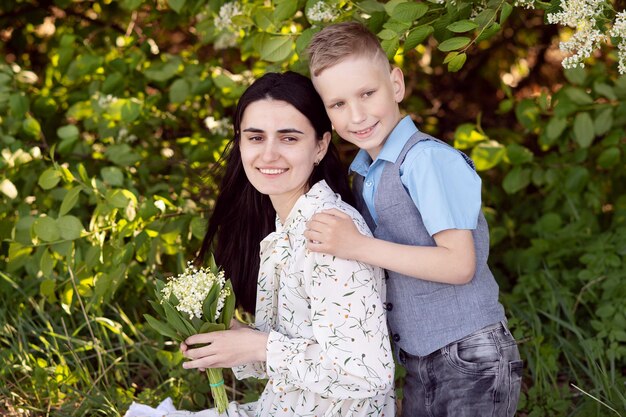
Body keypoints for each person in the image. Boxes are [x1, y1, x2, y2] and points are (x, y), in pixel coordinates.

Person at [125, 71, 395, 417]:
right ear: (239, 143)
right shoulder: (283, 229)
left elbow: (368, 375)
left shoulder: (331, 234)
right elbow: (295, 359)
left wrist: (260, 346)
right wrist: (233, 338)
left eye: (288, 138)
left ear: (320, 145)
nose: (268, 155)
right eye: (256, 137)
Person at [303, 22, 523, 417]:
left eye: (367, 94)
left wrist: (357, 245)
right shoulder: (366, 171)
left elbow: (459, 264)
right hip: (421, 358)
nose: (356, 115)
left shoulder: (426, 160)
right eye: (338, 104)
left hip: (469, 354)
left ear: (397, 85)